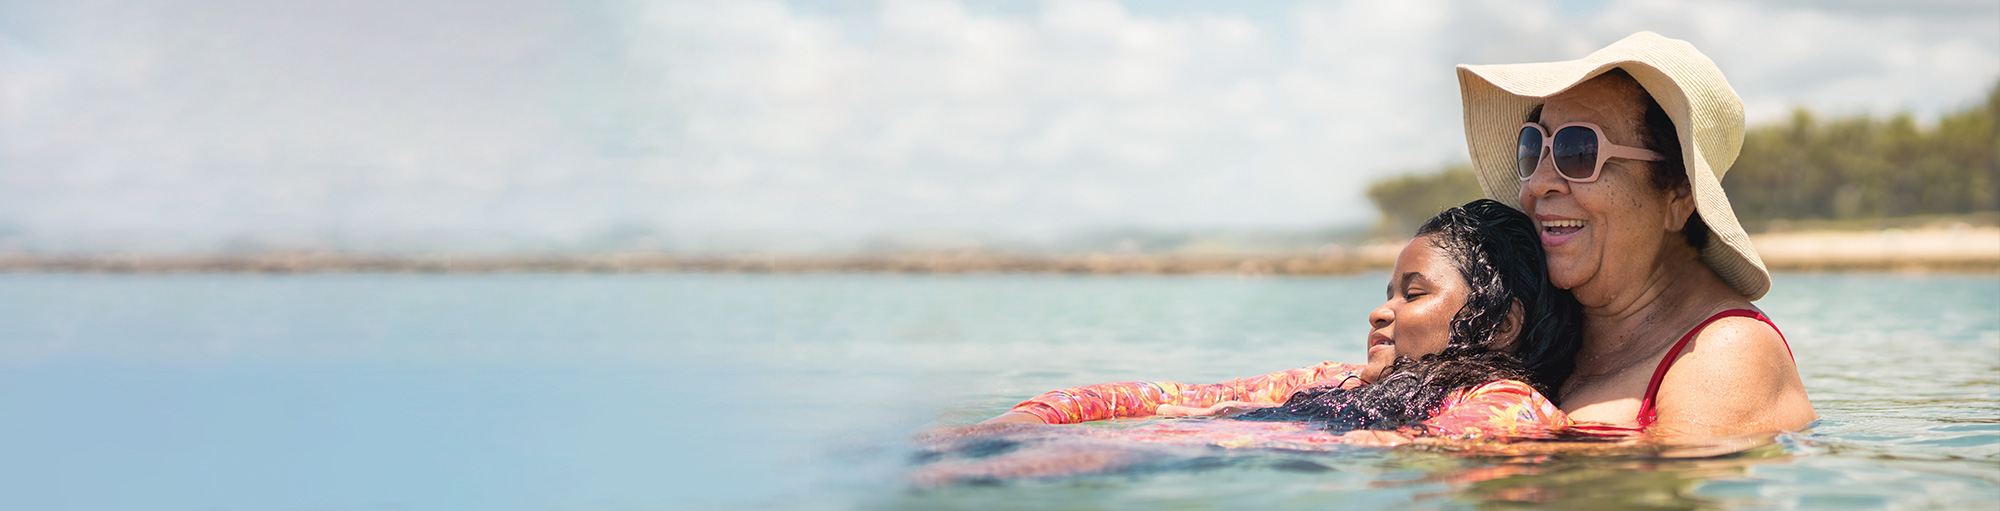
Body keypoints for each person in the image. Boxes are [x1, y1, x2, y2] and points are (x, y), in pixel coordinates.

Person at [977, 200, 1585, 444]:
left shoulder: (1505, 399)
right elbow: (1173, 395)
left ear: (1500, 325)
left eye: (1414, 293)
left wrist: (1235, 436)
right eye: (1388, 293)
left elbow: (1456, 444)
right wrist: (1034, 415)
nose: (1382, 311)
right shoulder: (1340, 380)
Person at [1455, 31, 1815, 438]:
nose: (1538, 184)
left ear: (1679, 192)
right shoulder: (1533, 328)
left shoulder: (1728, 352)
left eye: (1579, 152)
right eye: (1533, 148)